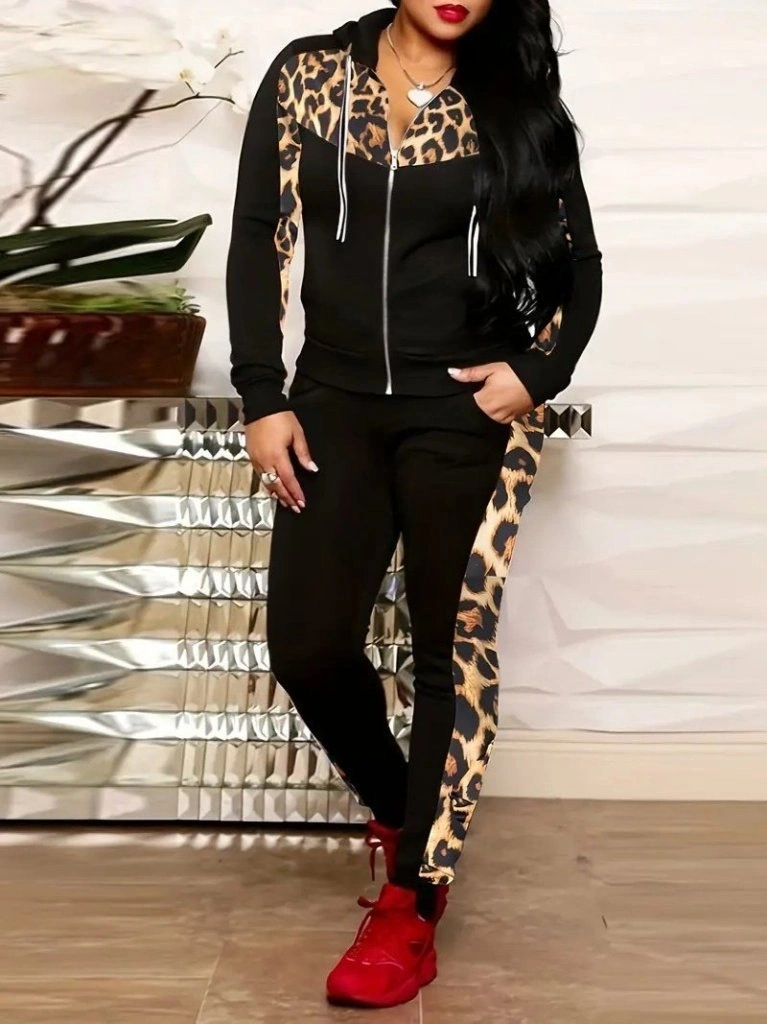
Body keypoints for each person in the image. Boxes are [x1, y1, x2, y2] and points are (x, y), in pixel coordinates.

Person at [226, 0, 602, 1009]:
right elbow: (259, 233)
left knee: (449, 648)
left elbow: (580, 261)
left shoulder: (511, 98)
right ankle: (411, 816)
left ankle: (410, 901)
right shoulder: (310, 74)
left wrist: (537, 370)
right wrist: (262, 395)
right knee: (307, 647)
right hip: (332, 405)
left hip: (461, 413)